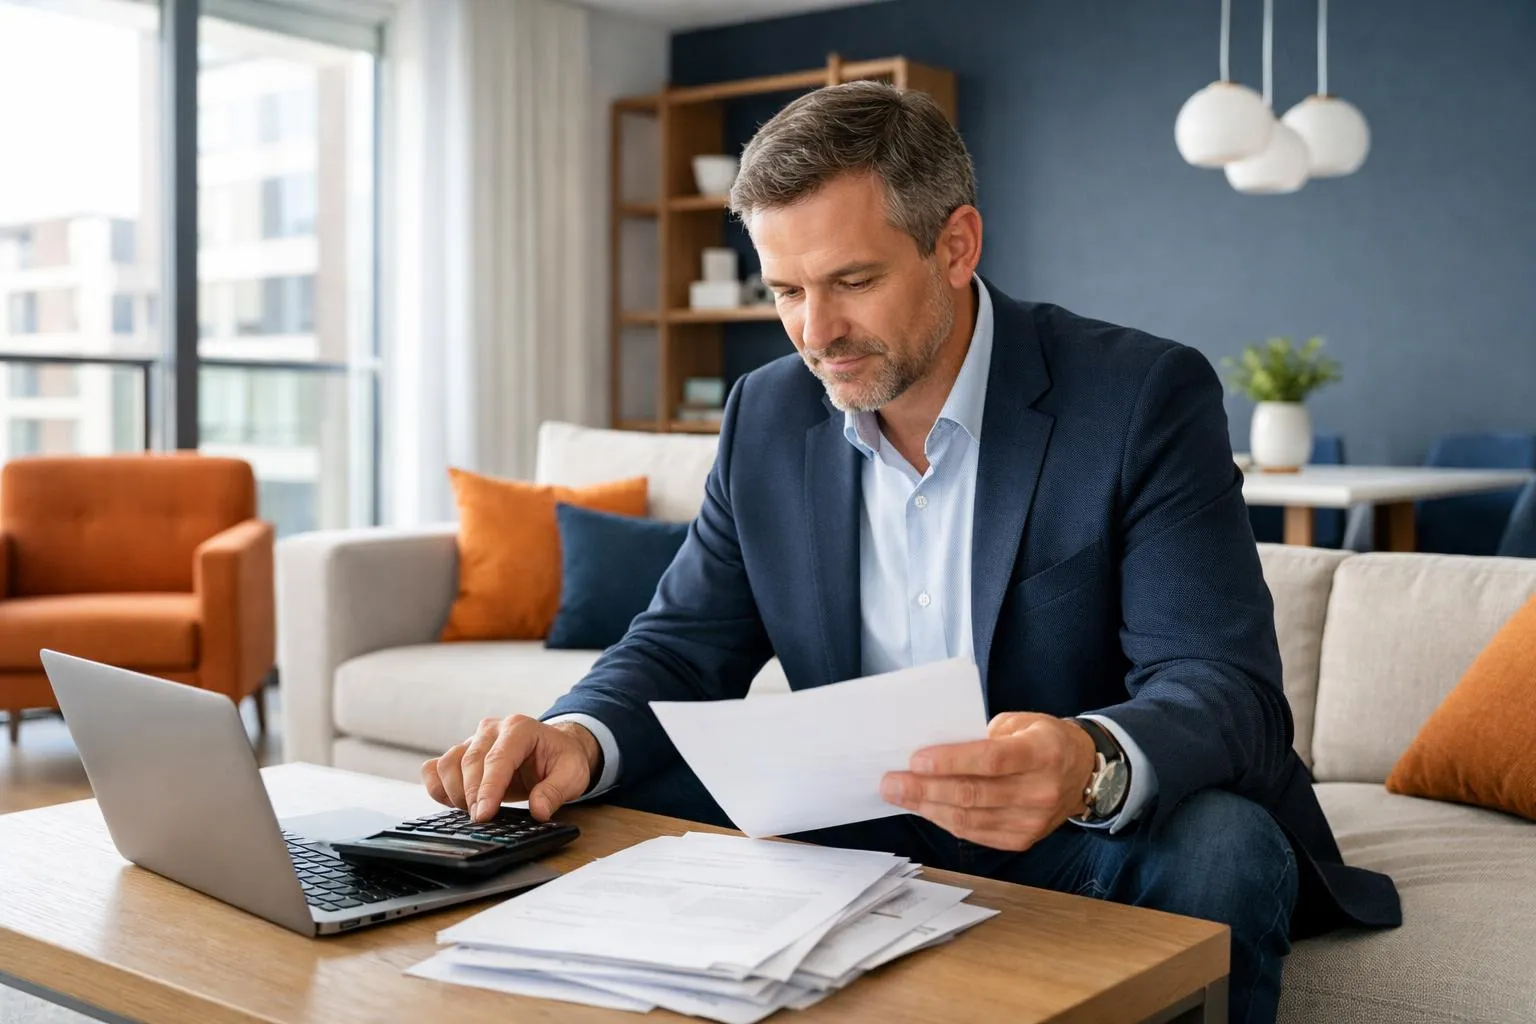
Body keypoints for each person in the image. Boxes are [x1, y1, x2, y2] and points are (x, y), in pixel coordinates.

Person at [421, 81, 1400, 1023]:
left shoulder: (1138, 396)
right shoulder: (764, 415)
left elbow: (1223, 685)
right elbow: (680, 644)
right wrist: (577, 736)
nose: (816, 332)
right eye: (786, 291)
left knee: (1223, 846)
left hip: (1073, 823)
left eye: (852, 281)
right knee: (594, 784)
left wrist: (1089, 760)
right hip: (860, 807)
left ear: (956, 245)